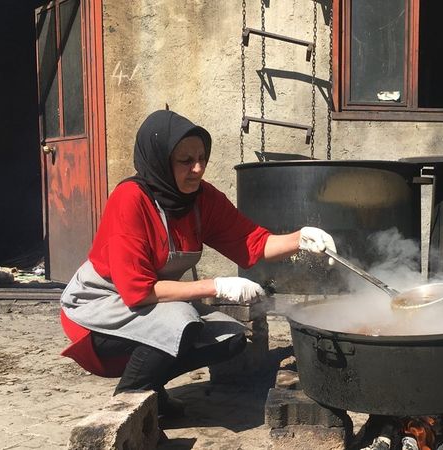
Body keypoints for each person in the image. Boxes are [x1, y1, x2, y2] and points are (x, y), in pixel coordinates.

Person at [59, 109, 336, 417]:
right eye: (185, 161)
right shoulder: (130, 200)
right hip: (98, 306)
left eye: (202, 158)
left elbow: (252, 243)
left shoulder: (201, 199)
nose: (198, 168)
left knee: (228, 339)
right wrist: (217, 287)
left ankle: (151, 388)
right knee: (181, 320)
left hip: (149, 304)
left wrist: (301, 238)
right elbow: (138, 291)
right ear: (160, 161)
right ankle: (128, 403)